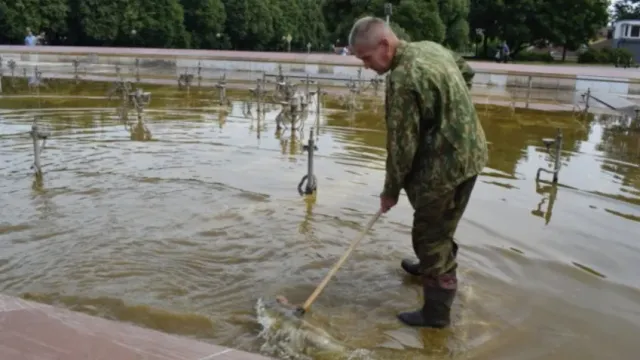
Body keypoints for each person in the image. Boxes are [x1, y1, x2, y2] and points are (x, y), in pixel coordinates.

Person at [347, 17, 488, 328]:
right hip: (473, 153)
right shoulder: (431, 48)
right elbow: (467, 71)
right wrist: (451, 113)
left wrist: (390, 191)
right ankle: (430, 267)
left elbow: (401, 146)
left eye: (367, 58)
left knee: (429, 235)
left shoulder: (402, 79)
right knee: (442, 224)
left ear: (384, 45)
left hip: (445, 170)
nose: (367, 66)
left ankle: (436, 315)